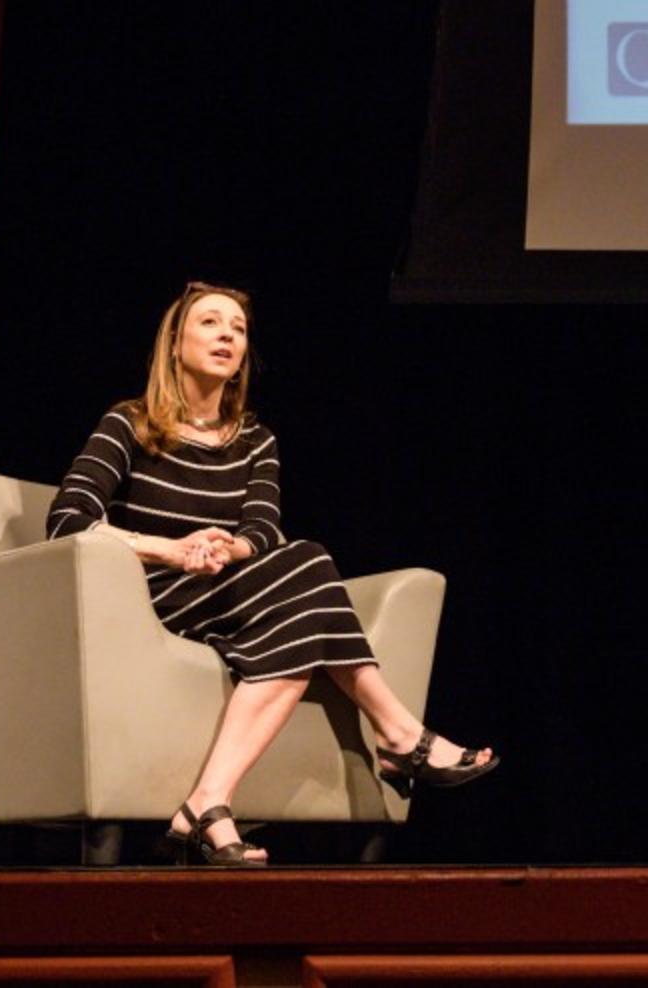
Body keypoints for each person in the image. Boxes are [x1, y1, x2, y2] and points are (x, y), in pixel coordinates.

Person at [47, 281, 496, 865]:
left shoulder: (257, 440)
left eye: (237, 328)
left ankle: (210, 801)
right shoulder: (128, 423)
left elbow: (261, 530)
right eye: (210, 323)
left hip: (227, 589)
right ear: (175, 341)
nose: (227, 335)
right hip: (152, 597)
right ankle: (400, 735)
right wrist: (173, 550)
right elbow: (67, 519)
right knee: (310, 562)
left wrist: (221, 552)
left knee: (302, 585)